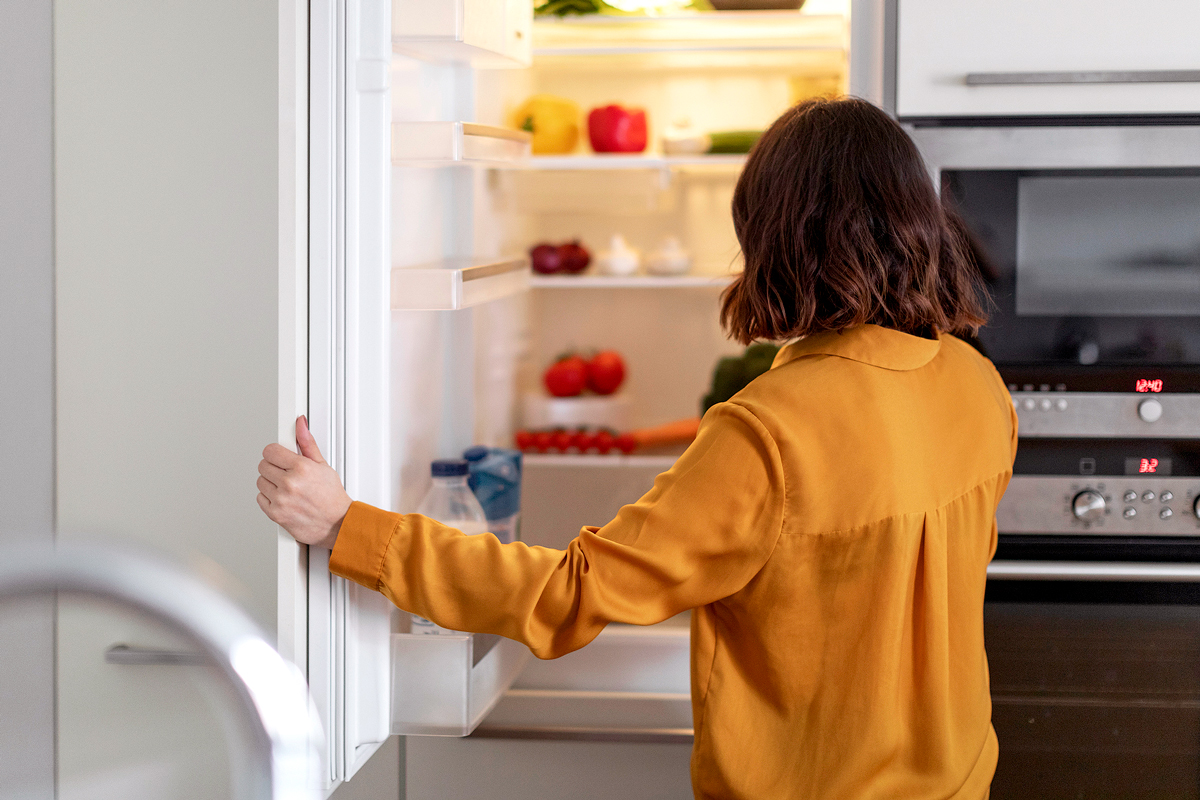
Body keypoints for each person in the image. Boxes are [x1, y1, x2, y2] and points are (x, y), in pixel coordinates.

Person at [257, 97, 1016, 800]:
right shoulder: (977, 386)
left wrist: (346, 526)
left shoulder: (770, 432)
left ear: (776, 239)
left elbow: (570, 594)